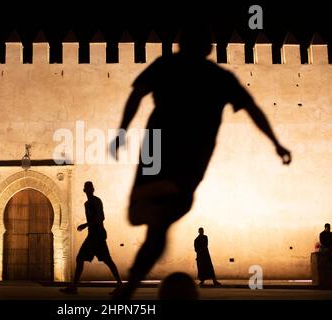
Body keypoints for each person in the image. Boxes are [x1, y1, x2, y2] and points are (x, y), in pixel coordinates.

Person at [110, 25, 292, 299]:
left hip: (157, 151)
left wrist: (122, 131)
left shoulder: (166, 65)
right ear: (209, 49)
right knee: (160, 222)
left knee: (147, 219)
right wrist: (276, 144)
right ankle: (133, 282)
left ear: (180, 44)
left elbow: (137, 94)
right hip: (190, 161)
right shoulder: (219, 77)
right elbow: (253, 108)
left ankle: (132, 282)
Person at [60, 181, 122, 294]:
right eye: (87, 188)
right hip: (92, 235)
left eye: (90, 188)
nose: (88, 190)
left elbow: (101, 217)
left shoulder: (96, 201)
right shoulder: (87, 204)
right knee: (82, 259)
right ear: (85, 190)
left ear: (92, 190)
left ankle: (120, 285)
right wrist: (87, 226)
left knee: (107, 260)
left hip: (97, 235)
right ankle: (74, 287)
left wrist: (85, 225)